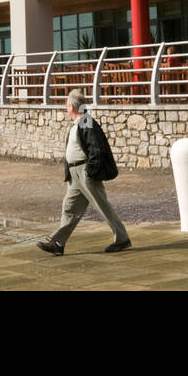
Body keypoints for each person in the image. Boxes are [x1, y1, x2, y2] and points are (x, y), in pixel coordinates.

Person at [37, 89, 130, 255]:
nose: (66, 108)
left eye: (67, 105)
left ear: (72, 106)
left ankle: (122, 239)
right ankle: (58, 243)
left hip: (84, 172)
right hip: (74, 174)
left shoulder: (85, 120)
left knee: (102, 206)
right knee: (69, 208)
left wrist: (90, 171)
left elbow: (96, 148)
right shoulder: (77, 122)